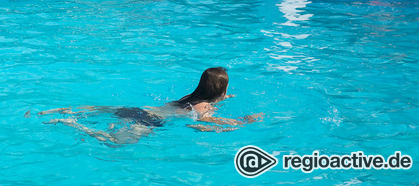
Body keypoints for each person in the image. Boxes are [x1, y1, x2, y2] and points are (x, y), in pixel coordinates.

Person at [40, 67, 261, 145]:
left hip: (140, 109)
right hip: (149, 122)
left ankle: (67, 111)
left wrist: (223, 97)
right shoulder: (204, 108)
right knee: (113, 143)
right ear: (219, 91)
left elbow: (202, 102)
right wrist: (242, 122)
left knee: (99, 110)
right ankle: (71, 124)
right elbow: (204, 123)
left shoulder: (190, 97)